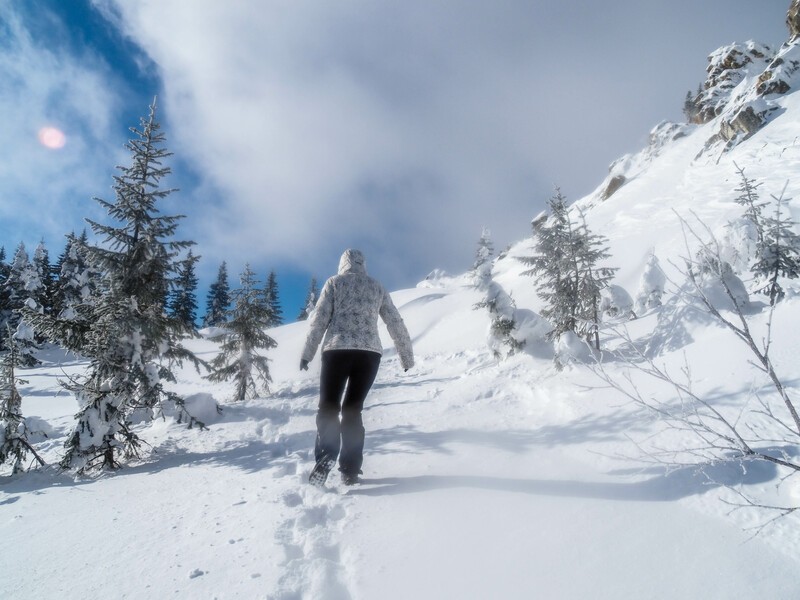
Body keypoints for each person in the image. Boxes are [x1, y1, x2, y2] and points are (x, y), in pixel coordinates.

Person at [300, 249, 414, 486]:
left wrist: (307, 354)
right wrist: (406, 357)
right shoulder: (377, 287)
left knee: (329, 407)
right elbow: (395, 321)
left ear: (342, 264)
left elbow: (319, 320)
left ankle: (327, 456)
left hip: (337, 350)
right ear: (364, 264)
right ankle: (350, 470)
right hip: (369, 355)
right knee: (353, 410)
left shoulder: (334, 283)